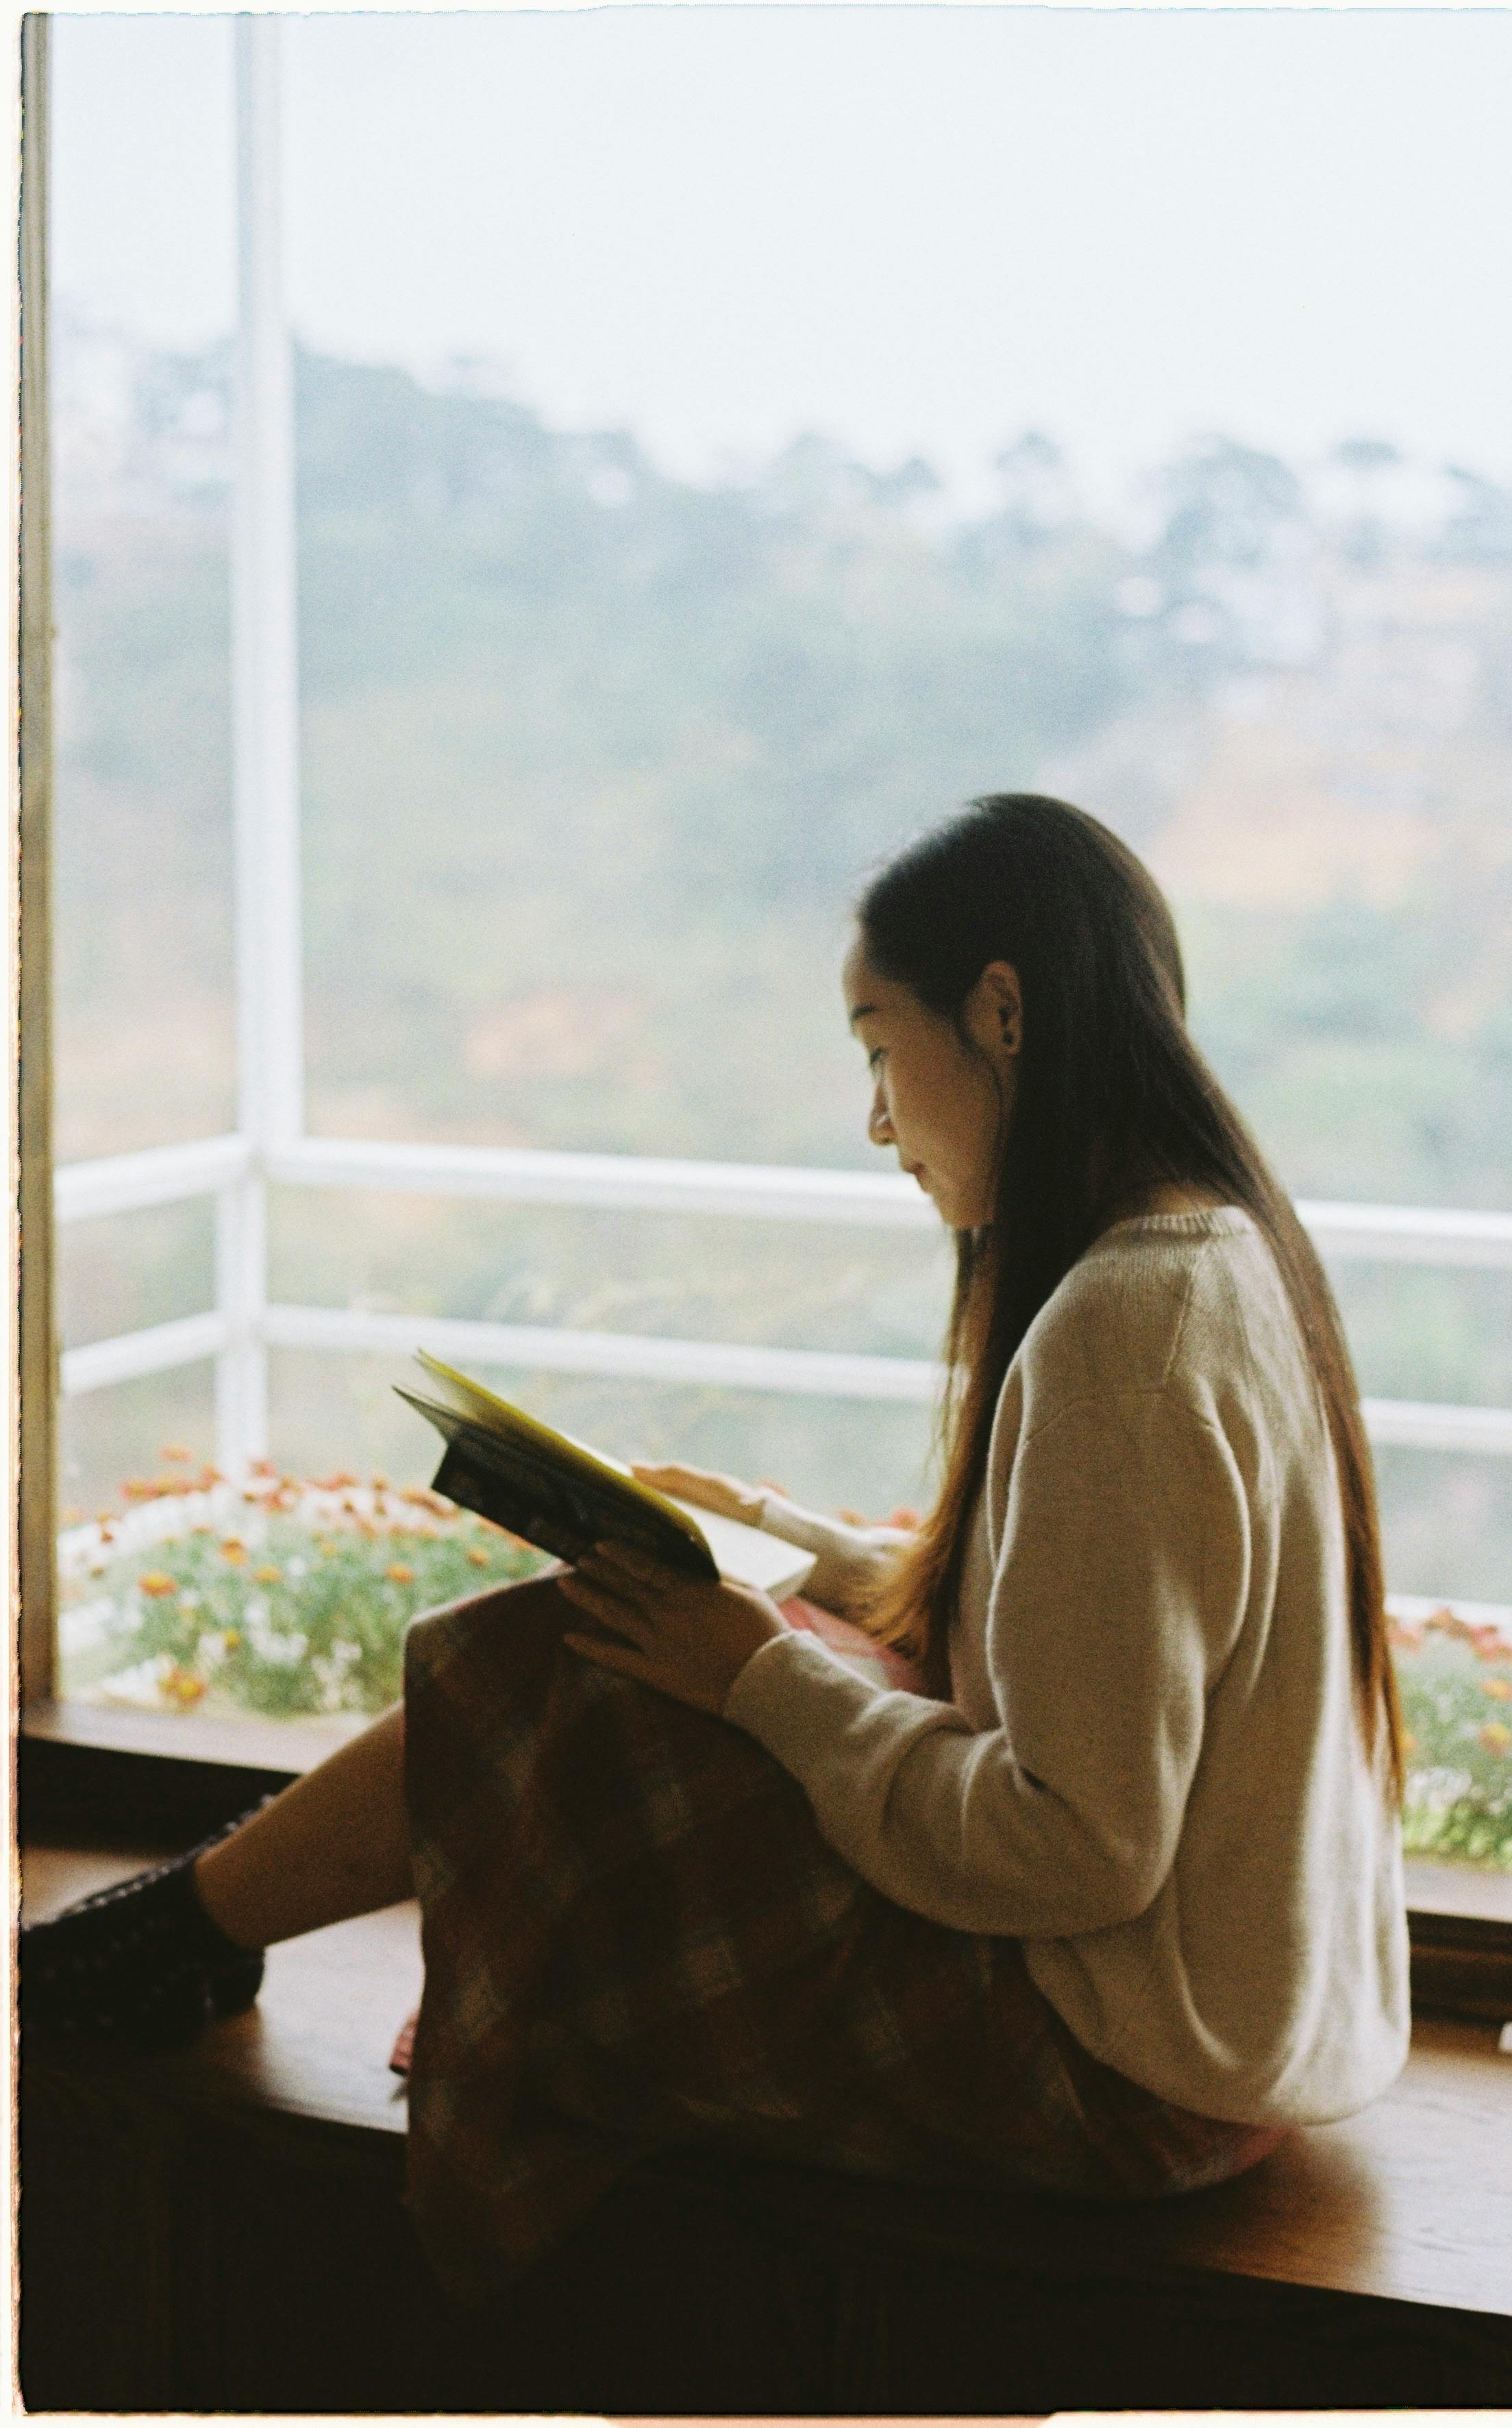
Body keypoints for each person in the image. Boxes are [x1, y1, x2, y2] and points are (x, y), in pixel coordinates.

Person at [21, 792, 1410, 2301]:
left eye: (880, 1048)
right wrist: (800, 1560)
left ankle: (165, 1935)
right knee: (661, 1631)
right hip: (1229, 2036)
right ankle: (185, 1926)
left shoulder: (1121, 1325)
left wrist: (763, 1674)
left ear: (997, 1011)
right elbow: (1119, 1648)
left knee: (559, 1653)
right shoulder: (1211, 1251)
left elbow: (1072, 1844)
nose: (878, 1122)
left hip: (1126, 2071)